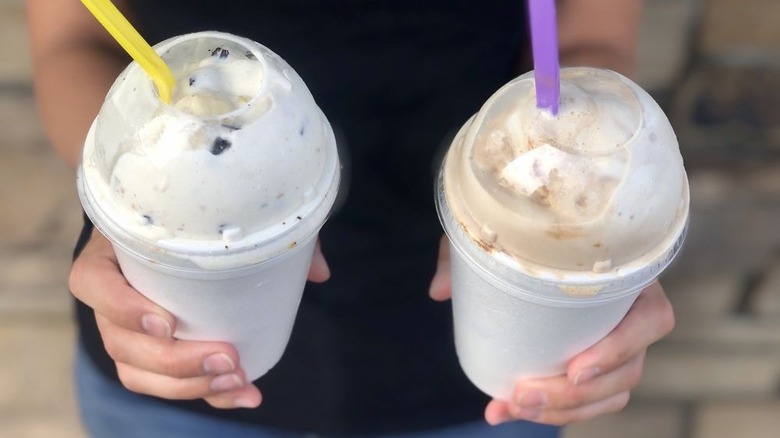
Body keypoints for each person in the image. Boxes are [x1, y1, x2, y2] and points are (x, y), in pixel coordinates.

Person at [27, 0, 674, 436]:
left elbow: (589, 40)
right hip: (168, 369)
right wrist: (137, 198)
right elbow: (74, 40)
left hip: (485, 392)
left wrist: (598, 203)